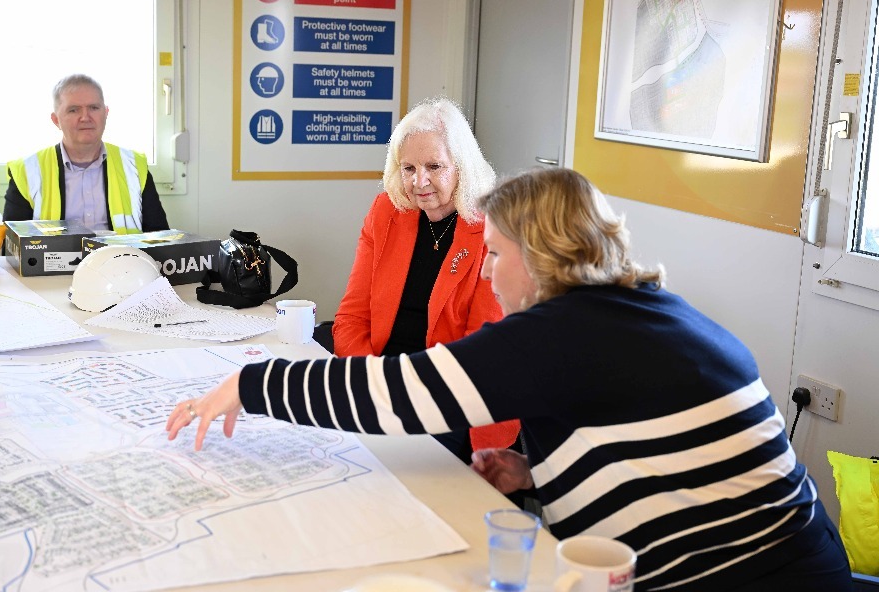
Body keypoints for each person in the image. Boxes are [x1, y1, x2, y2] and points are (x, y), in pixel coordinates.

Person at [167, 168, 851, 591]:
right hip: (806, 561)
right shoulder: (646, 309)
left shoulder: (565, 331)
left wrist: (252, 385)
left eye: (496, 254)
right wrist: (533, 470)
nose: (489, 273)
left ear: (541, 253)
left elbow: (400, 394)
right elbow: (641, 438)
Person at [333, 96, 520, 462]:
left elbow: (482, 352)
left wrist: (406, 397)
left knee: (391, 468)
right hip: (380, 378)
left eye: (434, 166)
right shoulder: (386, 212)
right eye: (408, 168)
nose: (419, 181)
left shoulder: (494, 227)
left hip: (455, 397)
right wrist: (371, 381)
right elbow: (351, 318)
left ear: (461, 166)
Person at [3, 74, 169, 234]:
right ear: (56, 120)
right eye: (73, 110)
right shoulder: (27, 171)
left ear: (106, 113)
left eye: (94, 108)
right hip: (55, 256)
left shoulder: (134, 166)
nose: (85, 117)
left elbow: (160, 238)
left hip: (122, 254)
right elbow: (12, 246)